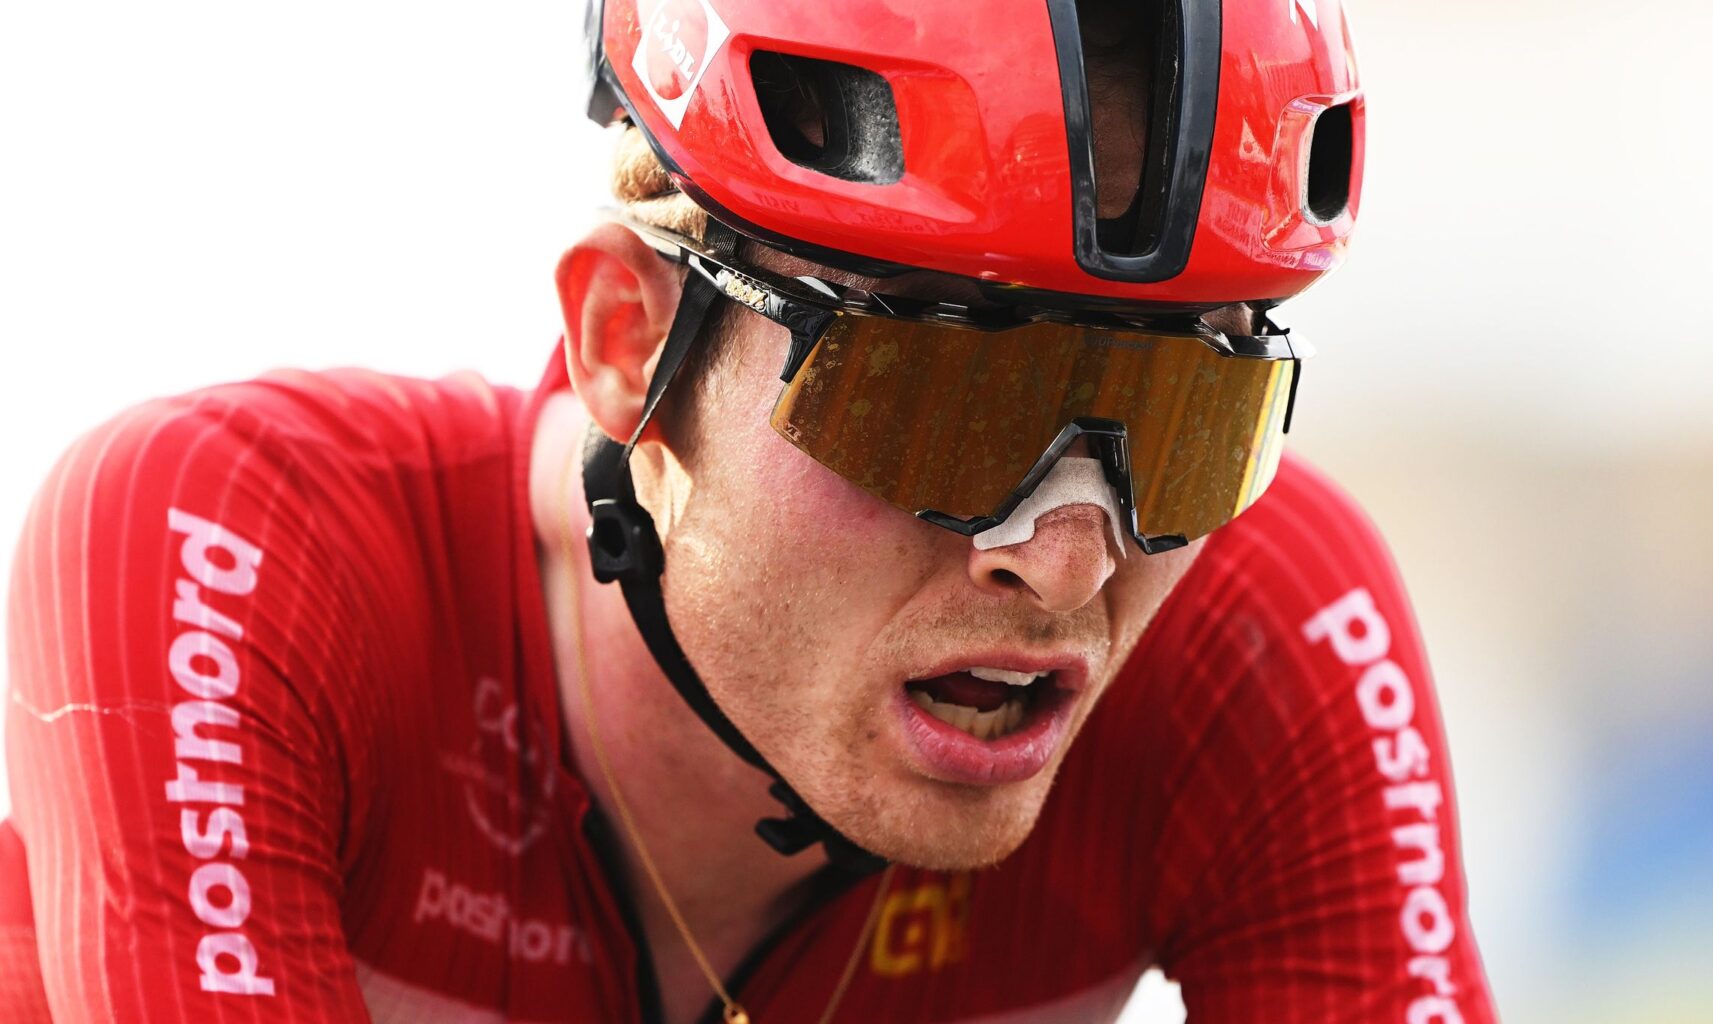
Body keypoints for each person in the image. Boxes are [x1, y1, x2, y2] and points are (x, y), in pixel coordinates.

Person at [0, 0, 1495, 1020]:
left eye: (1187, 426)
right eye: (940, 406)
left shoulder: (1261, 622)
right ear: (627, 343)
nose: (1064, 561)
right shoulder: (236, 549)